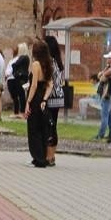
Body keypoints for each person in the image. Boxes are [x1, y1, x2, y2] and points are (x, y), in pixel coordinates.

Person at [24, 38, 53, 168]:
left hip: (35, 98)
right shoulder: (47, 64)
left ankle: (38, 158)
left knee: (34, 129)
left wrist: (28, 101)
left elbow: (34, 85)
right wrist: (44, 100)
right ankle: (42, 157)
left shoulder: (35, 64)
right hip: (43, 99)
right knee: (43, 129)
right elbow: (50, 84)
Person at [42, 30, 65, 166]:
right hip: (58, 96)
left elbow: (47, 80)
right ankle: (52, 156)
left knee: (48, 126)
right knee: (53, 125)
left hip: (50, 96)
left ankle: (48, 156)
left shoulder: (49, 61)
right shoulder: (58, 61)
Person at [7, 43, 30, 117]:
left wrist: (15, 71)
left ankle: (22, 112)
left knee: (21, 95)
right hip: (20, 78)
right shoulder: (23, 57)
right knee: (19, 95)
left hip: (21, 78)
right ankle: (18, 112)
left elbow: (15, 65)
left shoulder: (24, 57)